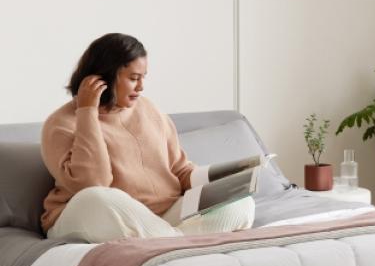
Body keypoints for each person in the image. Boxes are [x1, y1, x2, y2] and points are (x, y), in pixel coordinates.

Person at [41, 33, 255, 243]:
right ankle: (177, 241)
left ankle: (167, 242)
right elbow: (93, 183)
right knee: (97, 198)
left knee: (240, 202)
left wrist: (221, 181)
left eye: (143, 78)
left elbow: (180, 170)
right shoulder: (61, 124)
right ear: (103, 77)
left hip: (160, 215)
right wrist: (87, 111)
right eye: (134, 78)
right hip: (93, 214)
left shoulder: (149, 110)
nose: (141, 87)